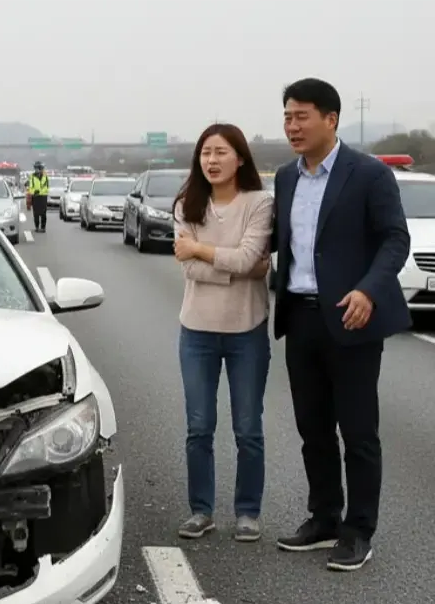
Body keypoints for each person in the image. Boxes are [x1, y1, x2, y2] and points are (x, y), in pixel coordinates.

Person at [271, 78, 410, 571]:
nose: (292, 126)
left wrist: (369, 289)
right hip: (301, 317)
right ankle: (324, 517)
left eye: (301, 116)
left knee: (358, 432)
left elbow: (395, 239)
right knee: (312, 429)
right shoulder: (286, 178)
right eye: (287, 116)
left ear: (331, 119)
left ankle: (358, 531)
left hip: (351, 319)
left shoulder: (368, 174)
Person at [171, 123, 273, 543]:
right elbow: (191, 266)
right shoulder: (186, 204)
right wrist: (241, 269)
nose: (211, 160)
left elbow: (252, 255)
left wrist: (203, 250)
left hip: (247, 331)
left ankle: (248, 512)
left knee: (248, 427)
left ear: (241, 158)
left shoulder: (260, 203)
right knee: (199, 426)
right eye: (205, 153)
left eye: (221, 152)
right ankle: (201, 510)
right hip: (196, 332)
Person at [27, 162, 50, 232]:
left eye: (38, 168)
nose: (37, 170)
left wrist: (39, 191)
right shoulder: (32, 176)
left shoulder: (45, 176)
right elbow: (30, 187)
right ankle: (37, 227)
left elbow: (47, 187)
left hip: (43, 196)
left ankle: (43, 227)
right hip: (35, 196)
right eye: (36, 168)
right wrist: (34, 192)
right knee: (36, 213)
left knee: (43, 213)